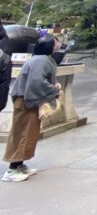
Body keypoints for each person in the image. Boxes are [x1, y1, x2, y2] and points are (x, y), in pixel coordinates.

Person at [2, 37, 62, 182]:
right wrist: (54, 90)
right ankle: (12, 169)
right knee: (23, 132)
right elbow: (37, 82)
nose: (59, 44)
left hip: (27, 98)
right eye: (56, 42)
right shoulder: (41, 61)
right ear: (50, 46)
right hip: (27, 100)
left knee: (27, 133)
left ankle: (19, 164)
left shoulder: (38, 59)